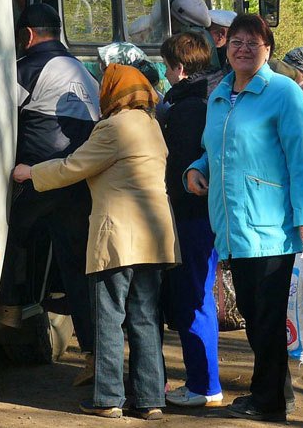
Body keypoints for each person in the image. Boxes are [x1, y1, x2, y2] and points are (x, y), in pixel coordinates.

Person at [13, 64, 179, 421]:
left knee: (108, 319)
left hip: (118, 237)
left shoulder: (113, 127)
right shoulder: (152, 126)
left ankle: (108, 398)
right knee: (145, 319)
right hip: (154, 238)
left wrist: (30, 172)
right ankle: (150, 399)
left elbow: (74, 166)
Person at [185, 14, 303, 422]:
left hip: (271, 224)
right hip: (231, 225)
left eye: (253, 42)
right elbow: (215, 146)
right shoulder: (222, 93)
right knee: (256, 318)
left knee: (266, 319)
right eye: (237, 41)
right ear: (226, 47)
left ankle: (270, 402)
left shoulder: (283, 93)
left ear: (268, 50)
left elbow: (301, 157)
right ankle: (273, 392)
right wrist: (196, 167)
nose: (243, 48)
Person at [0, 3, 99, 386]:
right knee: (76, 268)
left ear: (26, 36)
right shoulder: (82, 72)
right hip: (77, 184)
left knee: (7, 230)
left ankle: (7, 305)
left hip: (42, 177)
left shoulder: (30, 67)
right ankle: (92, 354)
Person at [160, 32, 226, 408]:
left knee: (194, 298)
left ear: (180, 68)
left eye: (168, 67)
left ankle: (203, 384)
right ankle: (204, 380)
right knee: (200, 297)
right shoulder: (211, 99)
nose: (166, 75)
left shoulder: (186, 108)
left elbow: (179, 167)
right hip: (207, 216)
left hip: (190, 216)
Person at [170, 0, 222, 72]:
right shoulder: (203, 34)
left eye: (173, 18)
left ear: (181, 22)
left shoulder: (189, 39)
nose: (171, 22)